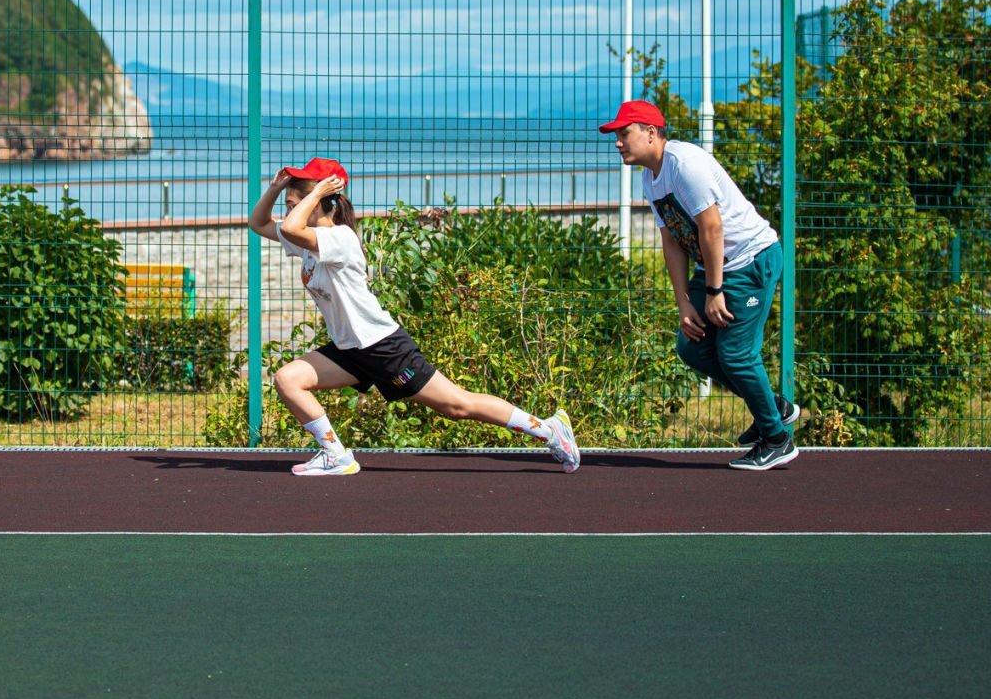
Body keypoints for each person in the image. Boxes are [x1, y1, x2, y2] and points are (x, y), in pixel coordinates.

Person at [247, 157, 579, 476]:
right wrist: (275, 189)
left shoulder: (338, 239)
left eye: (292, 204)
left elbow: (292, 227)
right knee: (288, 379)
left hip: (382, 346)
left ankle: (550, 430)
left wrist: (317, 191)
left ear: (319, 203)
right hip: (349, 348)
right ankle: (336, 455)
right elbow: (258, 224)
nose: (288, 213)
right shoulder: (309, 241)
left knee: (456, 405)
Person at [602, 101, 802, 470]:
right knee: (692, 348)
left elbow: (712, 227)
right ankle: (773, 408)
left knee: (737, 355)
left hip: (749, 260)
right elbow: (672, 241)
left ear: (651, 132)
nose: (618, 142)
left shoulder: (684, 165)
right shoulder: (650, 177)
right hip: (716, 265)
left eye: (624, 133)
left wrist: (714, 291)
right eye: (616, 135)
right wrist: (684, 303)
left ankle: (776, 439)